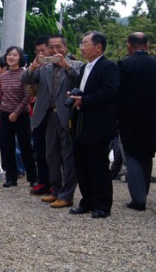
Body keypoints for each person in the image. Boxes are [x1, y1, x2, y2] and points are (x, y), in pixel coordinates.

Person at [23, 34, 82, 208]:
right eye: (51, 47)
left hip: (68, 116)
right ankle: (55, 190)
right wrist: (33, 66)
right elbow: (25, 80)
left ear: (66, 48)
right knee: (51, 155)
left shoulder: (77, 65)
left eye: (59, 47)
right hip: (48, 116)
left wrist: (67, 66)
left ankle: (67, 194)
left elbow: (79, 81)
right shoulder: (44, 67)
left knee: (68, 155)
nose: (55, 51)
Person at [69, 31, 119, 219]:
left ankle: (102, 205)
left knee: (97, 165)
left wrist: (85, 101)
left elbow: (110, 92)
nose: (82, 47)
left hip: (98, 124)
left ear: (98, 47)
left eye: (85, 44)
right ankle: (87, 201)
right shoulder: (83, 69)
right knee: (81, 164)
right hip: (80, 123)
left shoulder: (108, 67)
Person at [117, 32, 156, 211]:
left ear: (129, 46)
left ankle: (138, 199)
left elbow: (120, 94)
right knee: (147, 156)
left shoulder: (125, 64)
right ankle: (144, 191)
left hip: (130, 118)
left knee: (131, 155)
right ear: (147, 45)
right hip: (152, 118)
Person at [0, 46, 38, 189]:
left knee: (25, 147)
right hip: (5, 114)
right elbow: (3, 95)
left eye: (15, 55)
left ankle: (32, 178)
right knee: (6, 147)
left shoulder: (25, 74)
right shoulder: (3, 76)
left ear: (21, 58)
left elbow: (28, 97)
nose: (11, 57)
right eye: (9, 55)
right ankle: (11, 177)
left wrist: (16, 113)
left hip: (21, 115)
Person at [27, 36, 52, 196]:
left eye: (43, 50)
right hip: (40, 112)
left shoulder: (65, 64)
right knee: (40, 149)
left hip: (57, 113)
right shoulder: (38, 67)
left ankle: (55, 183)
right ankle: (43, 181)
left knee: (55, 152)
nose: (41, 54)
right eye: (38, 51)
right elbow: (28, 85)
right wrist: (33, 68)